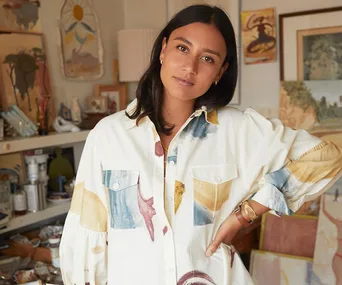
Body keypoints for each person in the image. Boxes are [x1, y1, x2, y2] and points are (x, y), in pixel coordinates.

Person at [59, 4, 342, 285]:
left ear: (220, 71)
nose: (190, 67)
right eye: (183, 48)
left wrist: (247, 213)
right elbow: (87, 239)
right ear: (163, 49)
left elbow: (327, 157)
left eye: (207, 59)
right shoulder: (108, 136)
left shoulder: (239, 131)